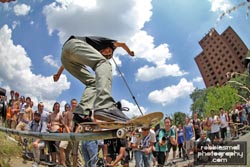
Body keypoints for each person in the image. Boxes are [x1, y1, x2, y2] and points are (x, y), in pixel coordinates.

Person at [53, 36, 134, 122]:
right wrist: (129, 52)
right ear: (109, 47)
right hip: (74, 44)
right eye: (109, 51)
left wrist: (58, 74)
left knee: (93, 83)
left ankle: (81, 113)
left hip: (66, 57)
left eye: (108, 55)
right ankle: (105, 105)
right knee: (103, 62)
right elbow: (122, 44)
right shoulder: (107, 43)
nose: (107, 53)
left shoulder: (87, 52)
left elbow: (68, 54)